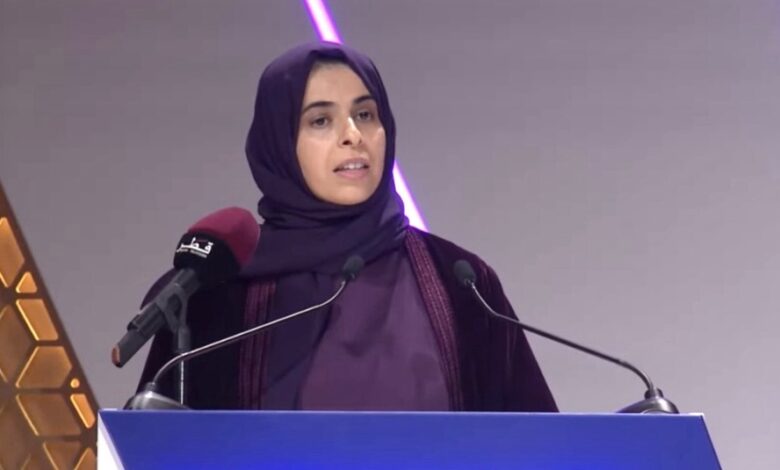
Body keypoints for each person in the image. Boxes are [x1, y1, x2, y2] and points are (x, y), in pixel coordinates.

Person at [138, 42, 557, 412]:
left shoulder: (462, 283)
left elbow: (535, 445)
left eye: (365, 114)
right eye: (321, 120)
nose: (353, 135)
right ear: (279, 143)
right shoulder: (218, 296)